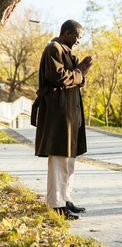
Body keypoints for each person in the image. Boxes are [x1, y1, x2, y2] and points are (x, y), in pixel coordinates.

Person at [35, 20, 92, 220]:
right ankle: (55, 204)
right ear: (67, 33)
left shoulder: (65, 51)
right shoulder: (54, 48)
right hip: (58, 114)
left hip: (70, 114)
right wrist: (79, 73)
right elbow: (59, 77)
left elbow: (73, 79)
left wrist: (79, 73)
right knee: (59, 159)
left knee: (69, 159)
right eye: (77, 36)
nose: (79, 40)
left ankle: (65, 199)